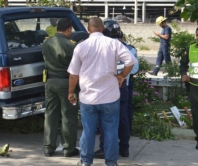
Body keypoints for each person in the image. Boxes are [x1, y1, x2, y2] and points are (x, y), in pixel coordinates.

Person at [67, 17, 137, 166]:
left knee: (88, 131)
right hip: (110, 96)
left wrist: (70, 92)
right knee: (111, 130)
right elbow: (131, 61)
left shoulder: (81, 46)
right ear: (103, 29)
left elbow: (73, 74)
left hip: (88, 98)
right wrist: (122, 76)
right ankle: (111, 162)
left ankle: (86, 162)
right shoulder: (114, 44)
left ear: (88, 29)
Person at [95, 25, 139, 160]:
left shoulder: (104, 49)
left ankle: (105, 148)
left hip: (109, 88)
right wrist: (122, 75)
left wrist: (116, 76)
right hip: (123, 86)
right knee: (123, 119)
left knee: (106, 119)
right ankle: (124, 148)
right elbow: (134, 68)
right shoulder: (129, 49)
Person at [42, 17, 79, 158]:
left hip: (50, 82)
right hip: (66, 83)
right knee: (68, 115)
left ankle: (48, 147)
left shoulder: (46, 43)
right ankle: (68, 148)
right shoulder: (71, 46)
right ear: (69, 29)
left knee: (50, 114)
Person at [179, 27, 198, 150]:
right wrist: (183, 75)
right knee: (196, 115)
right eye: (197, 35)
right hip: (194, 87)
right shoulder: (190, 48)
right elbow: (183, 64)